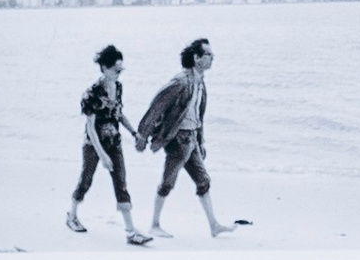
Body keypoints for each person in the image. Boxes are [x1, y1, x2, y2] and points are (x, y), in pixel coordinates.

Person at [134, 35, 246, 240]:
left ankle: (214, 225)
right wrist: (143, 135)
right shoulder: (182, 81)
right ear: (196, 58)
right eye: (209, 55)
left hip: (191, 139)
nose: (213, 58)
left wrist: (200, 140)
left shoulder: (200, 83)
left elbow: (197, 115)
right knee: (167, 182)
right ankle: (154, 225)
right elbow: (157, 105)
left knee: (203, 181)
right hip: (178, 140)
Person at [66, 41, 146, 239]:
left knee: (121, 182)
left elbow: (119, 114)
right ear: (104, 67)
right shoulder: (91, 93)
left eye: (121, 69)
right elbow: (90, 128)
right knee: (86, 180)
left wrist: (134, 133)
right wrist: (102, 155)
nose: (119, 72)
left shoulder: (118, 87)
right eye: (115, 69)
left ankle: (130, 231)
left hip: (114, 142)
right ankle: (72, 216)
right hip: (93, 145)